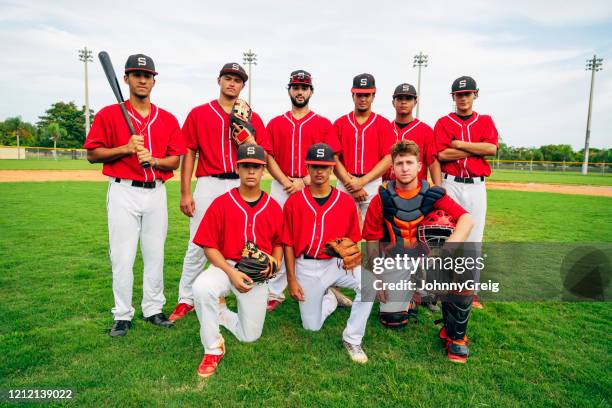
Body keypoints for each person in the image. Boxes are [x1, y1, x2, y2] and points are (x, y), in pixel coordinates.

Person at [84, 54, 186, 337]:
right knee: (123, 256)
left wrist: (153, 160)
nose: (142, 79)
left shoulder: (167, 118)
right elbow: (92, 154)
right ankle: (122, 314)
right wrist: (125, 149)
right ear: (126, 79)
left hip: (155, 193)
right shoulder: (109, 114)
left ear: (154, 80)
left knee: (155, 254)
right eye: (136, 74)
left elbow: (174, 162)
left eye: (147, 75)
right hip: (123, 191)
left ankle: (153, 309)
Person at [169, 63, 268, 322]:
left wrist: (248, 137)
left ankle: (233, 291)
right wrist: (185, 192)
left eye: (237, 80)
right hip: (209, 183)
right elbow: (189, 151)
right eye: (228, 78)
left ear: (243, 85)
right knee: (197, 243)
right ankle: (185, 298)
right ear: (219, 80)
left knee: (240, 243)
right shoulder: (199, 113)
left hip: (240, 183)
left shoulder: (253, 117)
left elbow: (262, 153)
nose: (232, 83)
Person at [362, 140, 474, 362]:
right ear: (392, 168)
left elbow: (467, 219)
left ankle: (455, 337)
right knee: (392, 320)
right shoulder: (381, 198)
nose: (404, 168)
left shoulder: (433, 194)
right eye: (399, 163)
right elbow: (372, 242)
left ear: (419, 165)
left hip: (427, 260)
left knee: (462, 272)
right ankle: (413, 296)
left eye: (409, 162)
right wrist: (377, 277)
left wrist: (446, 252)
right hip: (396, 260)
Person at [191, 144, 283, 377]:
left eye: (256, 167)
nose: (251, 171)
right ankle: (212, 348)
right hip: (225, 266)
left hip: (256, 272)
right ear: (237, 168)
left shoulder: (273, 207)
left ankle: (221, 313)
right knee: (202, 287)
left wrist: (276, 262)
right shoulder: (222, 202)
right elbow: (208, 246)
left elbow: (279, 242)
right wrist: (230, 273)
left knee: (249, 336)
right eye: (246, 166)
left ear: (264, 171)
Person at [264, 70, 350, 311]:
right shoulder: (275, 122)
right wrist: (285, 181)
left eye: (304, 87)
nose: (299, 91)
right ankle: (274, 291)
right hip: (282, 185)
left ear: (311, 91)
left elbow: (331, 156)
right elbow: (268, 156)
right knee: (277, 237)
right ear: (289, 90)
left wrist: (304, 180)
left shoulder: (323, 123)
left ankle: (325, 284)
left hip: (311, 185)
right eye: (295, 87)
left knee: (312, 234)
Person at [283, 143, 374, 364]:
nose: (319, 171)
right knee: (311, 327)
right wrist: (292, 280)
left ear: (332, 168)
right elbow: (287, 243)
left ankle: (352, 338)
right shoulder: (294, 201)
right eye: (314, 166)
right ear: (307, 168)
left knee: (370, 284)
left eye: (324, 166)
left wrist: (350, 257)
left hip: (335, 264)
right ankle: (331, 298)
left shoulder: (344, 201)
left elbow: (353, 237)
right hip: (306, 266)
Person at [434, 76, 499, 309]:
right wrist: (476, 149)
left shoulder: (485, 121)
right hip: (450, 184)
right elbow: (441, 155)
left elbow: (491, 148)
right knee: (446, 237)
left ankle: (471, 293)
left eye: (467, 94)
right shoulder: (443, 122)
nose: (463, 97)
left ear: (476, 95)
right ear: (453, 97)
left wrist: (459, 145)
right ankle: (444, 289)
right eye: (459, 94)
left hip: (476, 186)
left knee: (474, 239)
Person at [328, 73, 395, 221]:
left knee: (373, 234)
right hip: (345, 182)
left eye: (367, 95)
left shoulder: (383, 124)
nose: (363, 99)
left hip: (372, 184)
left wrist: (361, 182)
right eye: (359, 94)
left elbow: (389, 158)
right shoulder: (340, 123)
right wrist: (350, 183)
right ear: (352, 95)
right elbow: (333, 158)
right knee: (341, 233)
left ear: (373, 95)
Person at [389, 83, 441, 185]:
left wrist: (439, 187)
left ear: (415, 102)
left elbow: (432, 162)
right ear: (393, 102)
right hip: (388, 188)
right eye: (399, 98)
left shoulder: (426, 130)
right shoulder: (385, 128)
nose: (404, 102)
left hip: (417, 189)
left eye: (408, 98)